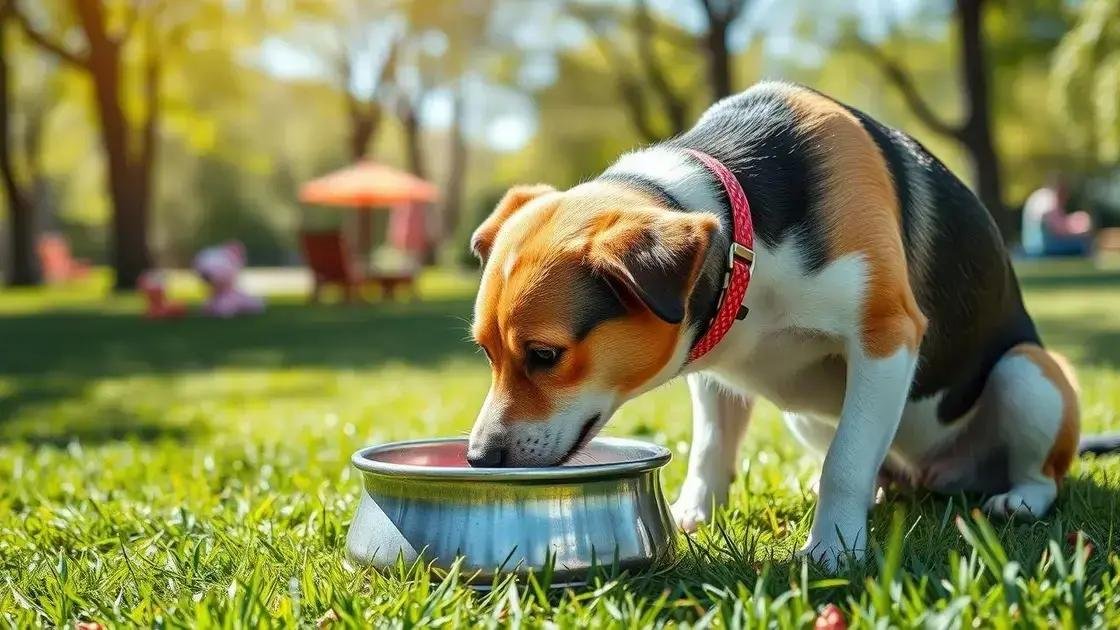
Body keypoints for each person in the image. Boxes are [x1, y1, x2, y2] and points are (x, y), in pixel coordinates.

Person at [1022, 175, 1093, 256]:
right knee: (1082, 244)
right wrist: (1079, 228)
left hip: (1031, 246)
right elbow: (1058, 229)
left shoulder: (1040, 196)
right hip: (1044, 247)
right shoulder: (1049, 199)